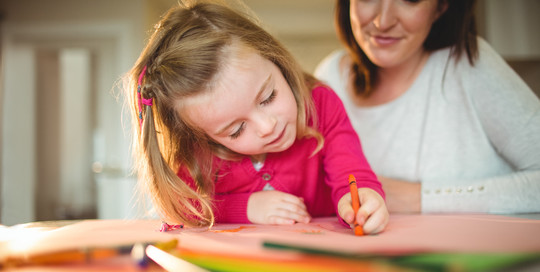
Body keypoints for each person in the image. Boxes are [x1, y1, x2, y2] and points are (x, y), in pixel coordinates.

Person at [125, 0, 389, 233]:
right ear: (201, 135)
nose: (267, 126)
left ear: (275, 59)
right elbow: (180, 206)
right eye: (236, 130)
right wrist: (245, 207)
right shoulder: (197, 147)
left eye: (268, 98)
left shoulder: (321, 104)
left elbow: (352, 173)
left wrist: (362, 199)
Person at [315, 0, 540, 214]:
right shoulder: (329, 78)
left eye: (410, 0)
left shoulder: (470, 64)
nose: (383, 22)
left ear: (441, 7)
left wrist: (417, 197)